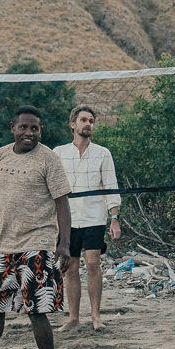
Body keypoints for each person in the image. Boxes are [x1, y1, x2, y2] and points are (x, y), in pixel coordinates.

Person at [0, 107, 72, 349]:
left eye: (35, 129)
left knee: (37, 310)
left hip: (38, 242)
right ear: (12, 128)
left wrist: (63, 245)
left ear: (41, 131)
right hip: (4, 244)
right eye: (24, 128)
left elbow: (62, 203)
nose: (29, 133)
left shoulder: (48, 159)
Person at [54, 106, 121, 333]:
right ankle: (73, 317)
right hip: (67, 219)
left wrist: (115, 218)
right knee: (70, 268)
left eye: (91, 121)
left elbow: (111, 186)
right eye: (83, 120)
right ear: (73, 124)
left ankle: (96, 315)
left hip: (94, 216)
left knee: (93, 264)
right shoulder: (59, 153)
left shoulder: (103, 153)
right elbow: (50, 186)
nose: (88, 124)